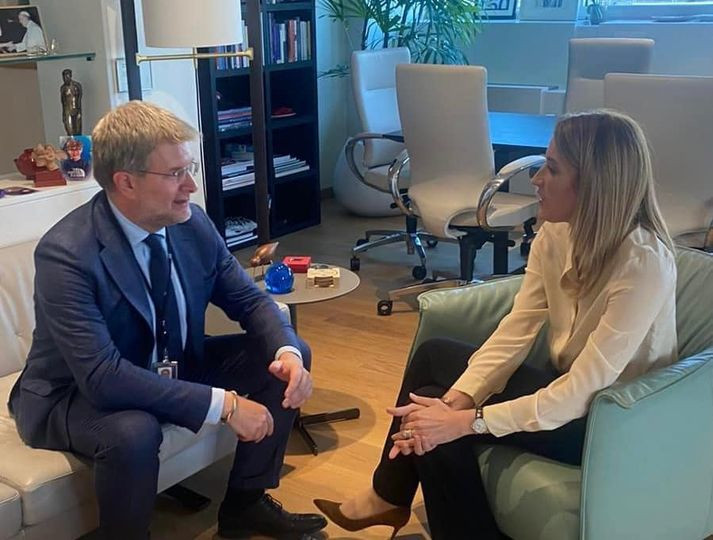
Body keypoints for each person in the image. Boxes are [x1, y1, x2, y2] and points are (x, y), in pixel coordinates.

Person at [314, 110, 678, 539]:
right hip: (569, 390)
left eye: (552, 168)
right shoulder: (557, 234)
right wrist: (455, 403)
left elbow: (584, 390)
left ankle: (391, 496)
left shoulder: (643, 264)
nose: (536, 179)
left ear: (594, 184)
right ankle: (390, 496)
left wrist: (470, 420)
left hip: (613, 421)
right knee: (434, 383)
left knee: (441, 420)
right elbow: (515, 330)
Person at [8, 101, 327, 540]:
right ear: (126, 182)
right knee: (133, 432)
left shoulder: (192, 225)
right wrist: (226, 405)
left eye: (189, 168)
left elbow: (249, 301)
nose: (191, 186)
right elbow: (102, 378)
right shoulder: (68, 254)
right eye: (176, 173)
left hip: (170, 364)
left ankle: (246, 505)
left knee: (284, 356)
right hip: (72, 394)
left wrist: (287, 351)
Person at [60, 69, 83, 136]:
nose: (65, 79)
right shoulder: (63, 88)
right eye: (64, 77)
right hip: (67, 110)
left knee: (78, 130)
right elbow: (63, 102)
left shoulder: (77, 86)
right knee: (69, 131)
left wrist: (79, 110)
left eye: (67, 76)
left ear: (70, 76)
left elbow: (79, 98)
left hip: (76, 109)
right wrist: (63, 114)